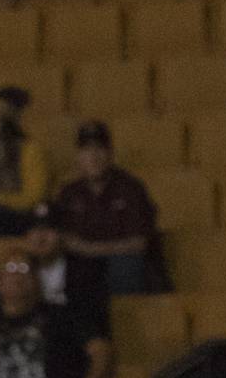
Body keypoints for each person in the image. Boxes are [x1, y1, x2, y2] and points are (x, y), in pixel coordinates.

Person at [51, 122, 159, 297]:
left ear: (110, 153)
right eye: (86, 150)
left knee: (126, 265)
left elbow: (139, 242)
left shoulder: (130, 188)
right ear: (78, 156)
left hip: (122, 265)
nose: (93, 157)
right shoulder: (69, 193)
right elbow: (64, 239)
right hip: (84, 267)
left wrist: (90, 249)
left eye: (99, 149)